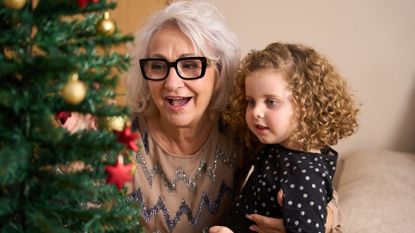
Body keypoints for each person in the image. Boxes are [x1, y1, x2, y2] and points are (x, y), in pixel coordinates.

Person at [63, 1, 341, 232]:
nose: (172, 83)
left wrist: (320, 222)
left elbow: (314, 179)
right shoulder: (120, 133)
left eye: (191, 64)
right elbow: (74, 216)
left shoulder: (246, 132)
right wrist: (71, 156)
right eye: (158, 66)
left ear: (219, 72)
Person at [209, 42, 359, 233]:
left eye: (271, 102)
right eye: (250, 102)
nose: (256, 112)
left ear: (306, 105)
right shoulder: (276, 145)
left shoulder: (303, 174)